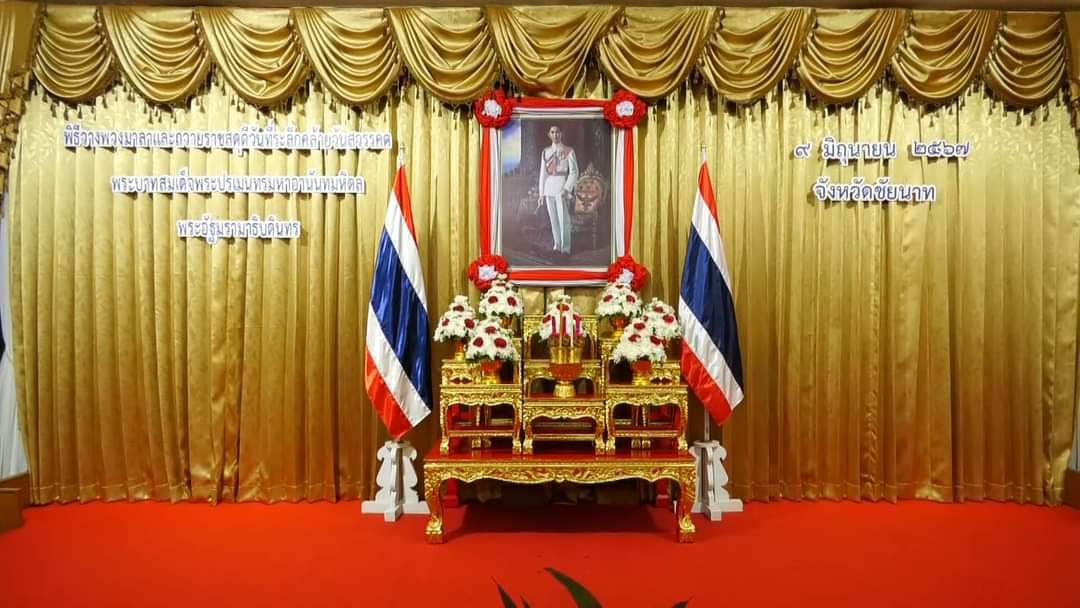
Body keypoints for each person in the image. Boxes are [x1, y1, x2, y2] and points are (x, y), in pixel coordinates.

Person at [537, 125, 578, 256]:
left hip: (562, 186)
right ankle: (557, 245)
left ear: (561, 134)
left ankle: (565, 248)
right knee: (553, 219)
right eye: (552, 132)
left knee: (563, 219)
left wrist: (567, 188)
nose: (555, 135)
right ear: (549, 134)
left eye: (557, 132)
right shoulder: (545, 152)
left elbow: (574, 172)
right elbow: (543, 174)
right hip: (549, 187)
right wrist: (541, 194)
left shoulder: (569, 151)